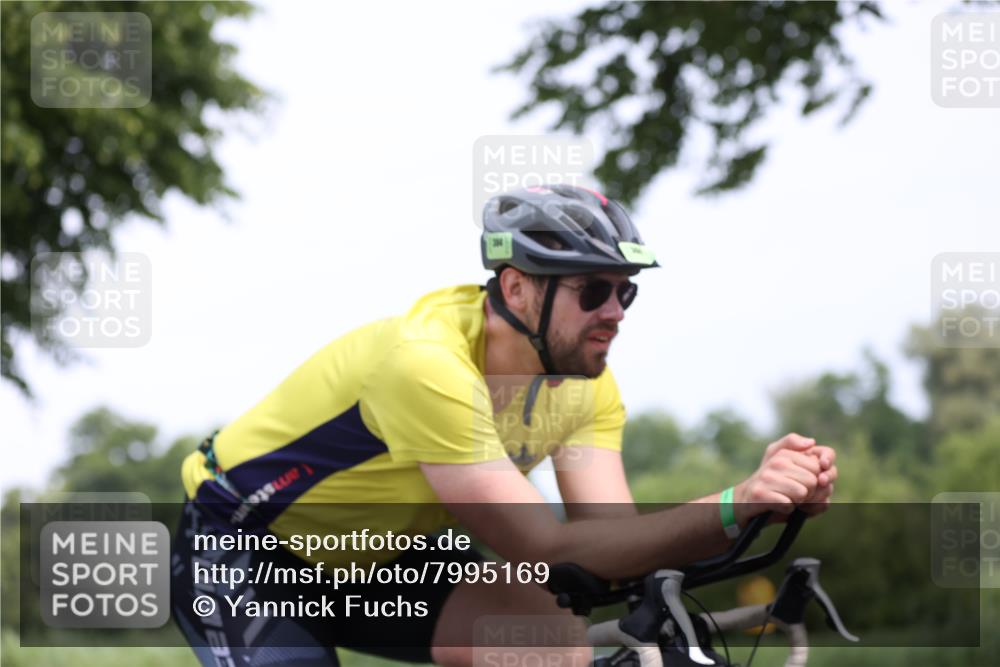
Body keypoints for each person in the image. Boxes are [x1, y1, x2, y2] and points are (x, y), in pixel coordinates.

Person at [171, 184, 837, 667]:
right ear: (516, 289)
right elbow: (547, 549)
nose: (617, 312)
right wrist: (733, 501)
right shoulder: (425, 364)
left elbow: (614, 545)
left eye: (625, 290)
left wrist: (758, 510)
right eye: (592, 291)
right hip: (246, 546)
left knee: (548, 630)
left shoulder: (587, 386)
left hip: (382, 556)